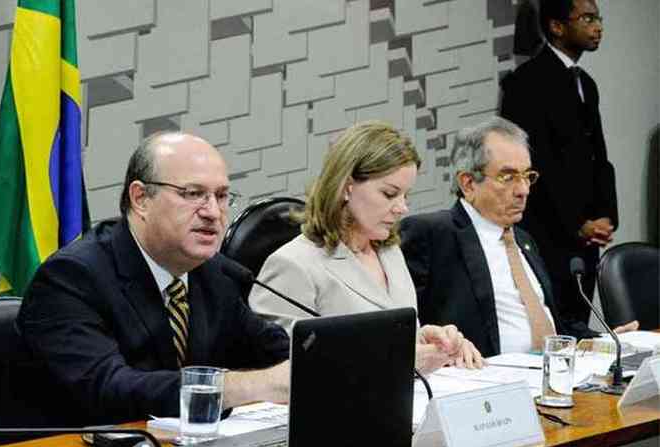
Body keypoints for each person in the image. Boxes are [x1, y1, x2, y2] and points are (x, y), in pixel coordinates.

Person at [17, 132, 290, 425]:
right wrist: (252, 385)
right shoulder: (71, 278)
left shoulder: (214, 272)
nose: (213, 212)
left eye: (221, 196)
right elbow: (110, 388)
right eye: (193, 193)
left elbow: (273, 350)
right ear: (141, 199)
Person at [249, 121, 483, 371]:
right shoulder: (292, 265)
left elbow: (384, 336)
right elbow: (288, 371)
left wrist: (428, 342)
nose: (402, 207)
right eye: (390, 194)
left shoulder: (390, 252)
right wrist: (400, 358)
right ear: (346, 187)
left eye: (406, 195)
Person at [400, 117, 637, 357]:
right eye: (508, 176)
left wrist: (607, 341)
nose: (523, 190)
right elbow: (406, 328)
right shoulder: (433, 233)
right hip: (482, 380)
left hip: (549, 375)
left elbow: (555, 323)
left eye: (527, 176)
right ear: (468, 183)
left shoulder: (525, 240)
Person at [500, 0, 618, 326]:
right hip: (549, 234)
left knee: (580, 323)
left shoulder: (586, 83)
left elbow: (598, 157)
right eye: (588, 18)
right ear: (557, 26)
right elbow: (538, 166)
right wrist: (577, 222)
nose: (598, 27)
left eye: (599, 18)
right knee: (556, 328)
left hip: (588, 236)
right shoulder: (527, 82)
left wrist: (606, 215)